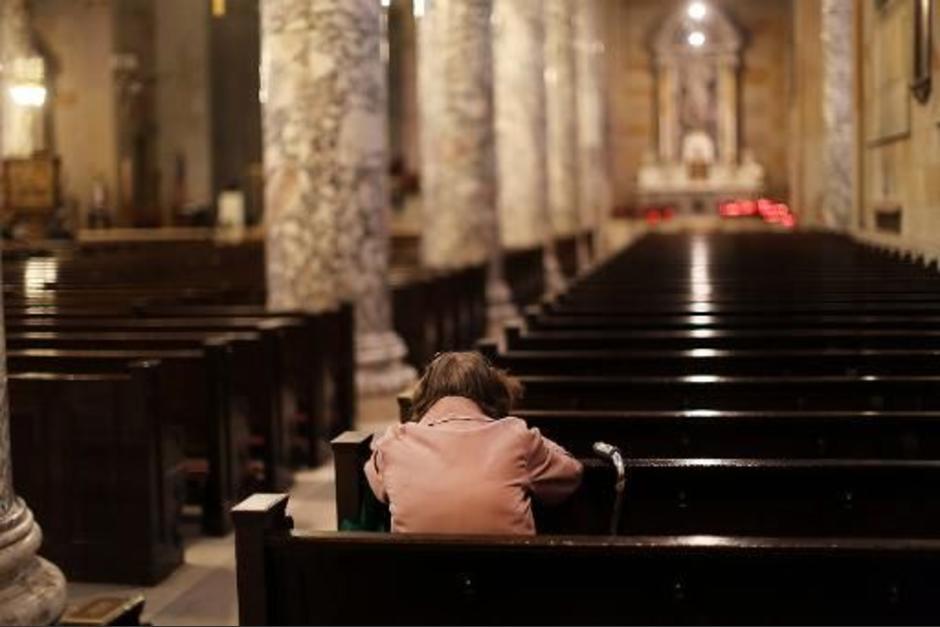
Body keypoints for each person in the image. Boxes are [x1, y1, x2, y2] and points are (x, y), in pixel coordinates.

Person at [364, 351, 583, 535]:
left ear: (424, 396)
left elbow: (375, 479)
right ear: (493, 395)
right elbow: (571, 473)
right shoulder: (516, 436)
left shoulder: (395, 441)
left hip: (420, 581)